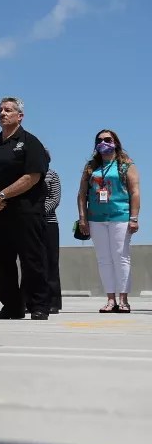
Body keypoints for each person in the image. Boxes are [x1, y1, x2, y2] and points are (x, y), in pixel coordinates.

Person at [0, 97, 51, 320]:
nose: (3, 113)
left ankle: (38, 305)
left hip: (25, 211)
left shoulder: (30, 142)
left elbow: (32, 177)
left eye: (8, 110)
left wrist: (2, 195)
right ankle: (12, 306)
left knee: (31, 259)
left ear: (20, 116)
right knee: (1, 261)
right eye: (0, 110)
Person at [77, 129, 141, 314]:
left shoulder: (125, 164)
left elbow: (135, 192)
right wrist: (83, 218)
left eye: (107, 139)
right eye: (100, 140)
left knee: (121, 257)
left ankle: (123, 299)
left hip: (120, 216)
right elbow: (82, 194)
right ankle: (110, 299)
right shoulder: (91, 166)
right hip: (96, 218)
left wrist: (134, 218)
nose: (103, 142)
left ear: (115, 142)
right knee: (104, 259)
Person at [41, 152, 63, 315]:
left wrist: (38, 212)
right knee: (32, 262)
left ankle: (53, 302)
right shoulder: (23, 175)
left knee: (51, 262)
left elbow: (55, 199)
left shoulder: (52, 175)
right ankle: (32, 300)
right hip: (28, 223)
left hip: (48, 223)